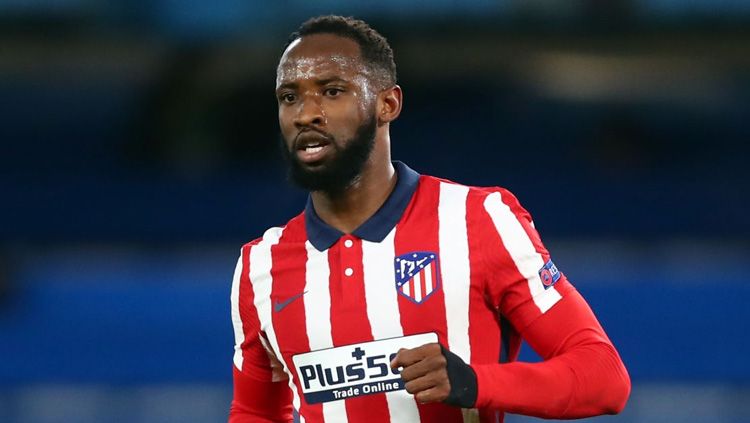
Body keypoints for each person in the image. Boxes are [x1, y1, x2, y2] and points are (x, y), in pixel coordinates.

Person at [229, 15, 630, 423]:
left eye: (332, 91)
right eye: (289, 97)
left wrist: (475, 383)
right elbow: (254, 412)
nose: (305, 114)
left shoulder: (478, 221)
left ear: (388, 104)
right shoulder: (260, 266)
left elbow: (604, 377)